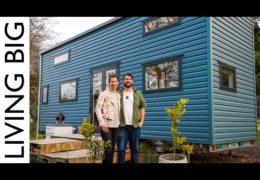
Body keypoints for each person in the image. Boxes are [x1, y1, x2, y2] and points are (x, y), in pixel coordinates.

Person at [117, 73, 146, 163]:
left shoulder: (138, 94)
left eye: (129, 79)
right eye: (126, 79)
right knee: (121, 149)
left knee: (135, 149)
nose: (128, 80)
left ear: (132, 81)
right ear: (123, 81)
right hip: (122, 126)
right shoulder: (118, 94)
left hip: (135, 126)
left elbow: (142, 107)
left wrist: (141, 122)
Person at [95, 73, 120, 163]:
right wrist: (102, 123)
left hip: (116, 125)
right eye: (112, 81)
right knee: (108, 149)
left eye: (115, 81)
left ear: (118, 82)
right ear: (109, 83)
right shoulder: (103, 94)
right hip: (106, 126)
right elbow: (97, 108)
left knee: (112, 149)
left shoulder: (118, 95)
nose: (114, 83)